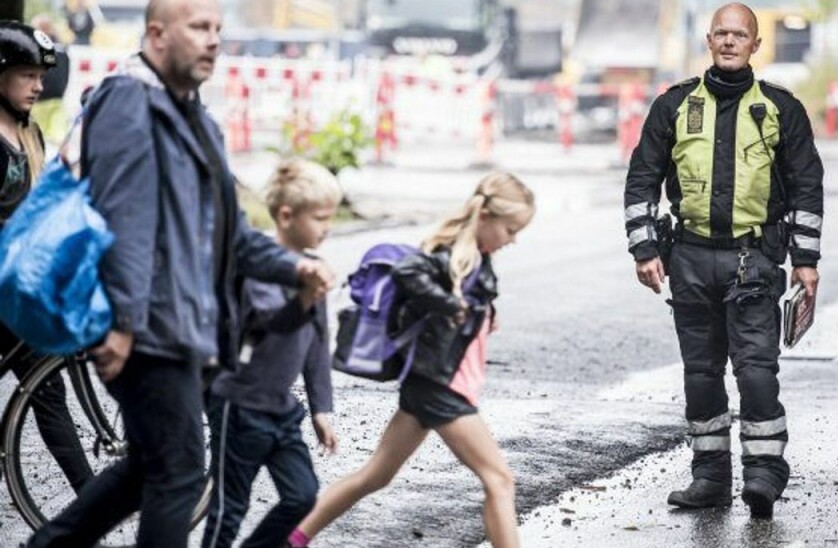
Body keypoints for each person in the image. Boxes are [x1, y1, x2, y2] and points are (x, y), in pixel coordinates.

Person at [27, 0, 334, 546]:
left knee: (151, 466)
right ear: (157, 34)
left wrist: (295, 266)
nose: (213, 39)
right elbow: (125, 219)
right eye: (199, 27)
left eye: (218, 28)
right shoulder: (127, 103)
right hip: (146, 324)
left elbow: (234, 236)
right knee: (182, 471)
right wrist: (123, 321)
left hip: (186, 325)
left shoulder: (198, 121)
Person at [624, 2, 823, 519]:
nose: (730, 41)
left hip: (753, 259)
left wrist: (806, 261)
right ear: (709, 41)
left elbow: (806, 187)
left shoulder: (782, 108)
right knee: (701, 374)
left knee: (756, 371)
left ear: (756, 45)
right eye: (722, 33)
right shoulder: (673, 105)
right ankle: (710, 479)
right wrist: (645, 248)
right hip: (688, 257)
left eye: (741, 35)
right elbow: (642, 179)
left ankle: (764, 474)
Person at [287, 172, 535, 548]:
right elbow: (408, 272)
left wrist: (483, 312)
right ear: (485, 216)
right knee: (500, 480)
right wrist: (453, 305)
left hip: (430, 385)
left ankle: (292, 539)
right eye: (510, 229)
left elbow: (463, 302)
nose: (513, 240)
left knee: (374, 476)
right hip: (442, 389)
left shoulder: (474, 259)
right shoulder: (451, 255)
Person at [202, 158, 341, 548]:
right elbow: (265, 324)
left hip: (281, 409)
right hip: (239, 405)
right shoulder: (258, 263)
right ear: (285, 215)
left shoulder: (314, 267)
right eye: (319, 217)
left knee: (302, 496)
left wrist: (321, 409)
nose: (327, 227)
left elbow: (317, 345)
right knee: (230, 507)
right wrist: (302, 299)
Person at [0, 18, 94, 494]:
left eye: (41, 76)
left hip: (14, 286)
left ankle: (90, 501)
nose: (38, 85)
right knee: (47, 390)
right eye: (26, 75)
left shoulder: (28, 133)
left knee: (48, 391)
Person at [29, 14, 71, 144]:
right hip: (57, 99)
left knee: (35, 139)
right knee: (59, 137)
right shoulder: (62, 49)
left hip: (38, 101)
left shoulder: (34, 48)